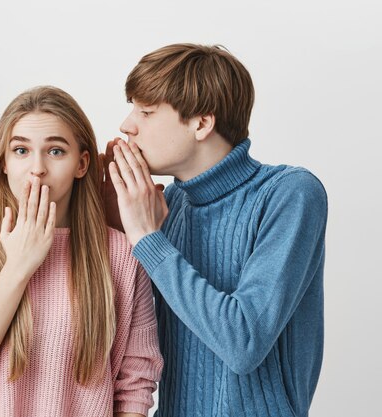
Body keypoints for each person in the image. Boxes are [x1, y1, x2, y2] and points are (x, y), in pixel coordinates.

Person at [102, 44, 328, 417]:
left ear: (201, 124)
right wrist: (117, 231)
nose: (127, 125)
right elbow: (130, 346)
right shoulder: (164, 206)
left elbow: (243, 342)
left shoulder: (290, 194)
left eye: (146, 111)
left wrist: (146, 238)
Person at [0, 86, 163, 417]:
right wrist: (18, 267)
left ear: (82, 164)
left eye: (55, 151)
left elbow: (134, 385)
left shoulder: (121, 252)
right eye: (21, 150)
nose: (36, 168)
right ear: (3, 163)